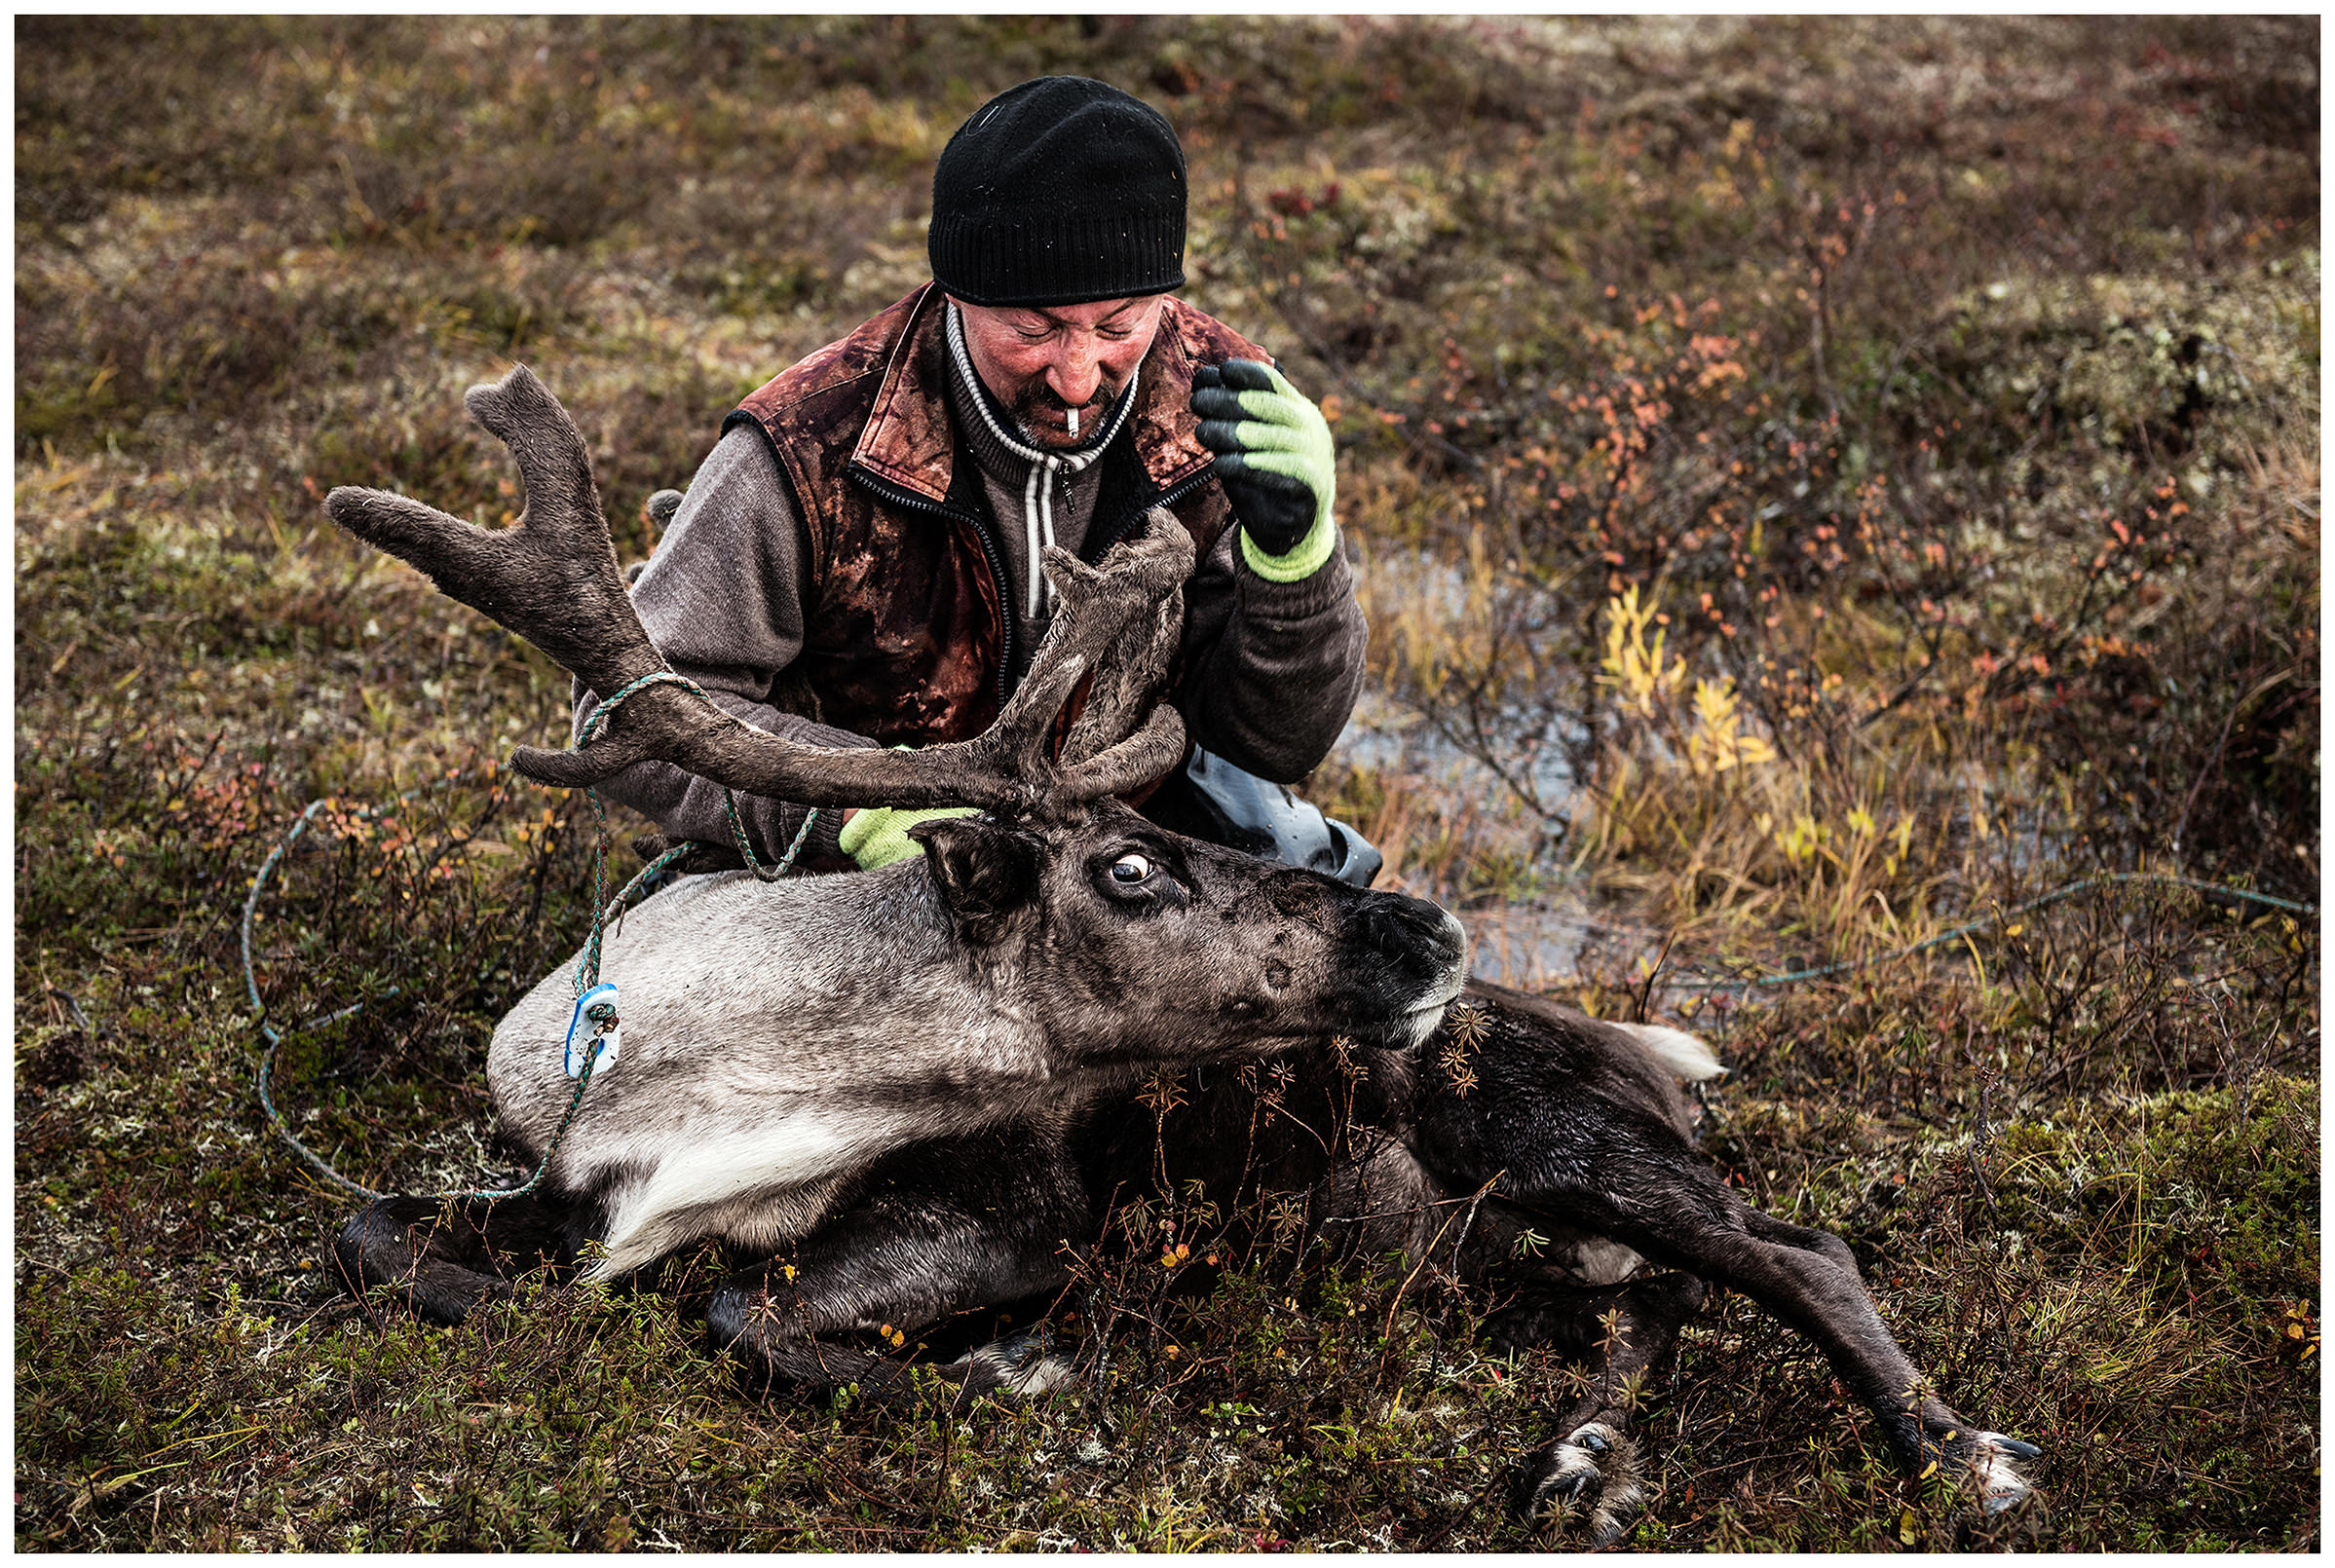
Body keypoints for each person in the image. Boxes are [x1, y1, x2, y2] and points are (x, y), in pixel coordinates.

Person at [583, 76, 1376, 882]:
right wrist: (858, 809)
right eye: (1032, 329)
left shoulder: (1226, 412)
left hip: (1121, 865)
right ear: (955, 295)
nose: (1076, 376)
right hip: (867, 877)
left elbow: (1273, 743)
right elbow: (633, 711)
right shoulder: (805, 447)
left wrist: (1297, 562)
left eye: (1118, 325)